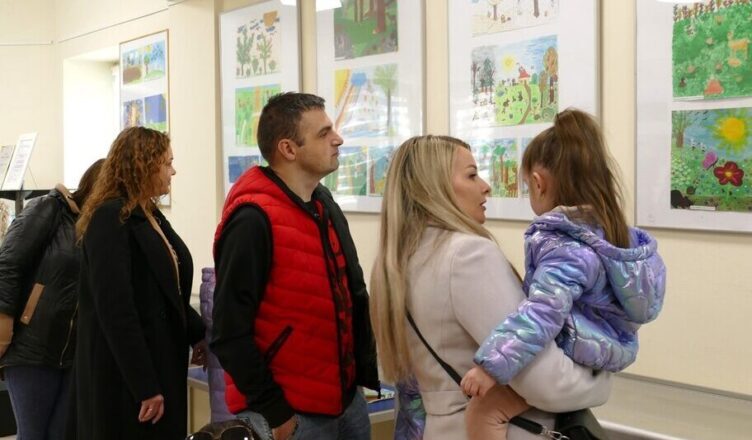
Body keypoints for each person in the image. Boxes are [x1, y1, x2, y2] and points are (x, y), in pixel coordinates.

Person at [369, 135, 612, 440]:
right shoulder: (467, 255)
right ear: (433, 188)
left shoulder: (398, 259)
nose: (485, 186)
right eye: (471, 175)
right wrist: (602, 378)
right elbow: (544, 381)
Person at [460, 109, 666, 438]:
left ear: (538, 183)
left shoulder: (564, 248)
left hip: (573, 353)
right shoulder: (610, 234)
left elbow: (543, 311)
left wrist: (491, 365)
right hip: (599, 354)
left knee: (483, 411)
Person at [211, 92, 380, 440]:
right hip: (293, 414)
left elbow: (351, 293)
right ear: (288, 149)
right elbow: (229, 332)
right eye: (324, 133)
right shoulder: (252, 220)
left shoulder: (323, 203)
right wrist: (275, 410)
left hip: (346, 401)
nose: (338, 139)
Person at [73, 127, 207, 440]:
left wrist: (197, 333)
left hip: (159, 359)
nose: (173, 171)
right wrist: (144, 385)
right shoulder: (110, 218)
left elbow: (167, 290)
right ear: (143, 165)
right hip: (125, 376)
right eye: (167, 163)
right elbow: (116, 309)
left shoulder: (148, 213)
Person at [0, 159, 103, 440]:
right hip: (32, 348)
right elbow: (8, 265)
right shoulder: (49, 208)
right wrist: (4, 329)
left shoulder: (101, 229)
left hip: (73, 354)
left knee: (62, 434)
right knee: (33, 434)